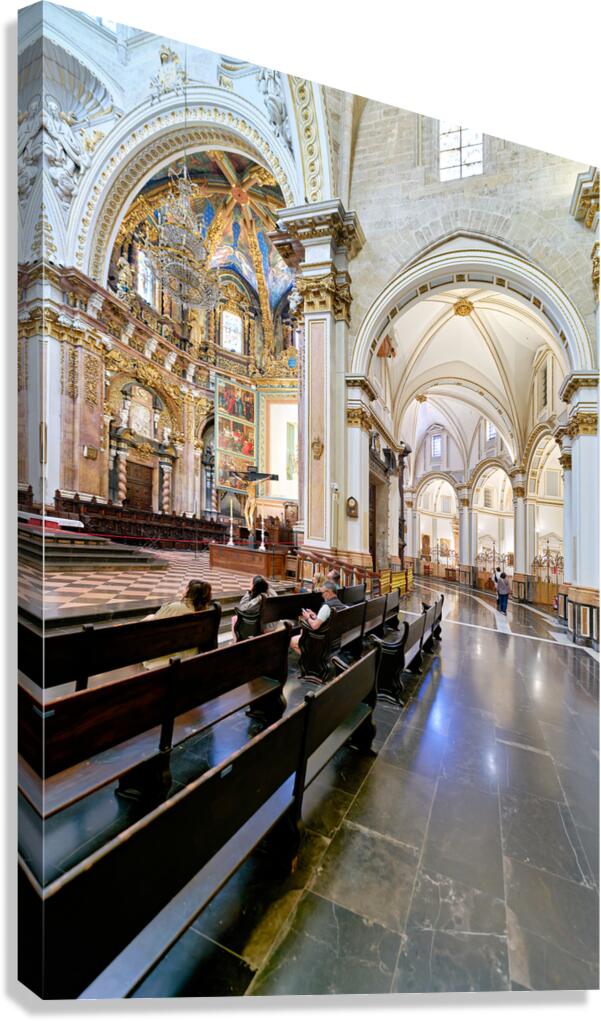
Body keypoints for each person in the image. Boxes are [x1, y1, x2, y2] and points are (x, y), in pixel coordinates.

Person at [142, 580, 213, 669]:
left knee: (149, 619)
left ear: (188, 591)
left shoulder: (172, 608)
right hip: (190, 654)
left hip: (164, 657)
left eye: (186, 587)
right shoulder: (207, 612)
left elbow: (154, 630)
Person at [290, 581, 345, 654]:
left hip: (323, 640)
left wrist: (307, 617)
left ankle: (311, 661)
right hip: (335, 639)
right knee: (302, 632)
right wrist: (315, 616)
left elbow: (315, 626)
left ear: (328, 592)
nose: (322, 595)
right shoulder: (341, 605)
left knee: (292, 640)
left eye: (322, 593)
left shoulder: (327, 607)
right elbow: (327, 619)